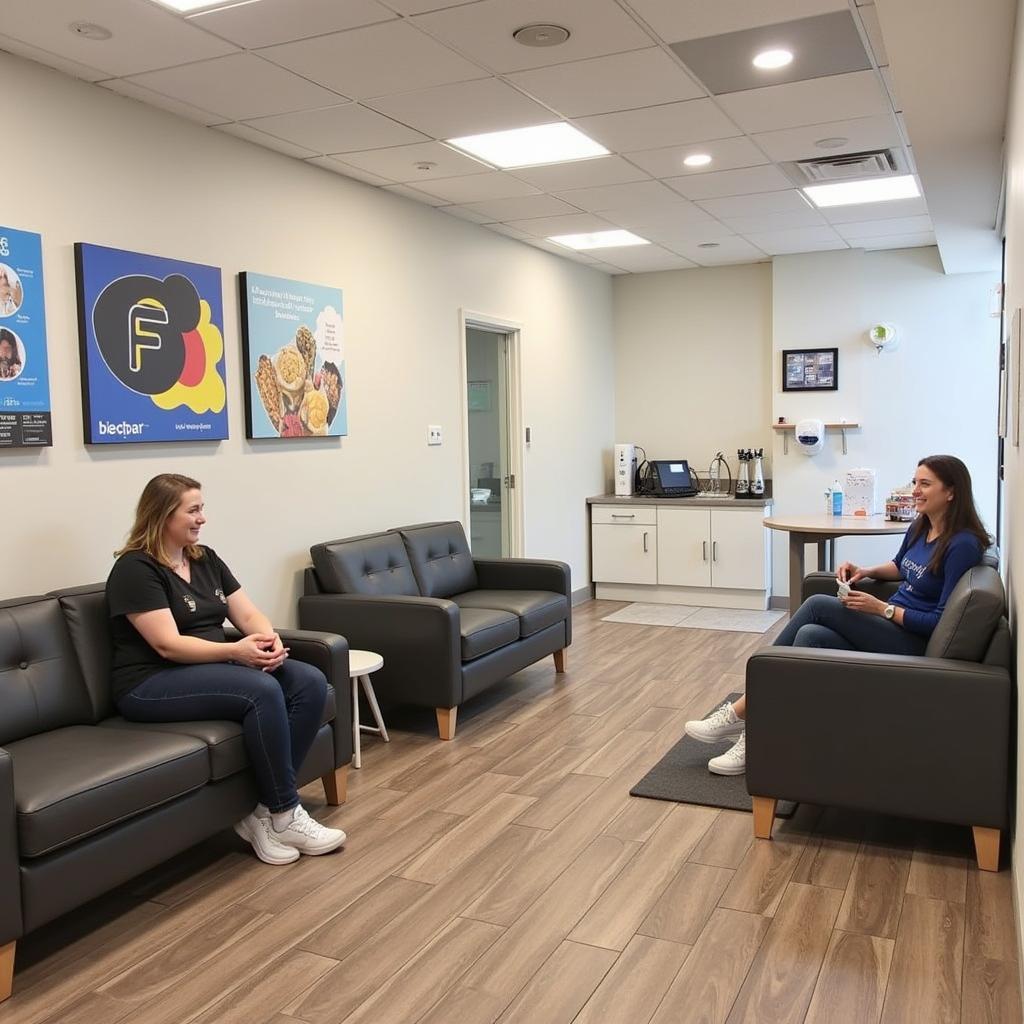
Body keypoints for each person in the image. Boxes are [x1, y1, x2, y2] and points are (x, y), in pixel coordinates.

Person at [684, 455, 990, 776]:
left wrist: (881, 608)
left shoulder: (962, 545)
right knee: (808, 638)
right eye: (915, 482)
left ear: (952, 492)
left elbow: (942, 622)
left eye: (925, 484)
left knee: (818, 604)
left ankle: (742, 709)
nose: (915, 490)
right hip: (889, 626)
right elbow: (901, 566)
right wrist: (866, 570)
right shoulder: (920, 526)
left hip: (912, 643)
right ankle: (759, 736)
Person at [106, 473, 347, 865]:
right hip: (150, 681)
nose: (202, 518)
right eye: (193, 510)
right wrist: (236, 652)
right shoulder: (136, 569)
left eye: (202, 509)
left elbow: (247, 612)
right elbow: (168, 644)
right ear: (163, 514)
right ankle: (285, 812)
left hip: (214, 664)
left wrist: (269, 642)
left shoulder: (205, 559)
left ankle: (263, 815)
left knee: (308, 680)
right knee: (261, 691)